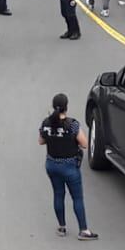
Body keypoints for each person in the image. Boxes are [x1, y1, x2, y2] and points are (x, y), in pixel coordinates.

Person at [39, 93, 97, 239]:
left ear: (53, 106)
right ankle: (83, 230)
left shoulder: (46, 123)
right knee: (77, 198)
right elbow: (84, 144)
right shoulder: (72, 125)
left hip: (52, 164)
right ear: (66, 107)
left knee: (58, 194)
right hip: (70, 166)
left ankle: (61, 227)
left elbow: (41, 141)